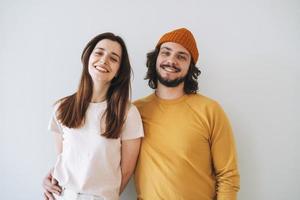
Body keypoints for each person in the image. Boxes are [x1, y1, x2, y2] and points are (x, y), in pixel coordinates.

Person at [133, 28, 240, 200]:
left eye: (181, 56)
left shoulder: (210, 110)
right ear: (155, 58)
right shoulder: (134, 111)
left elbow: (228, 176)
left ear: (190, 67)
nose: (171, 60)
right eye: (166, 53)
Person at [43, 32, 144, 200]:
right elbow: (64, 159)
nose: (104, 60)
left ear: (119, 71)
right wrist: (50, 181)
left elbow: (126, 171)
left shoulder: (127, 113)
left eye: (113, 58)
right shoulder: (62, 108)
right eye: (99, 52)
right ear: (88, 57)